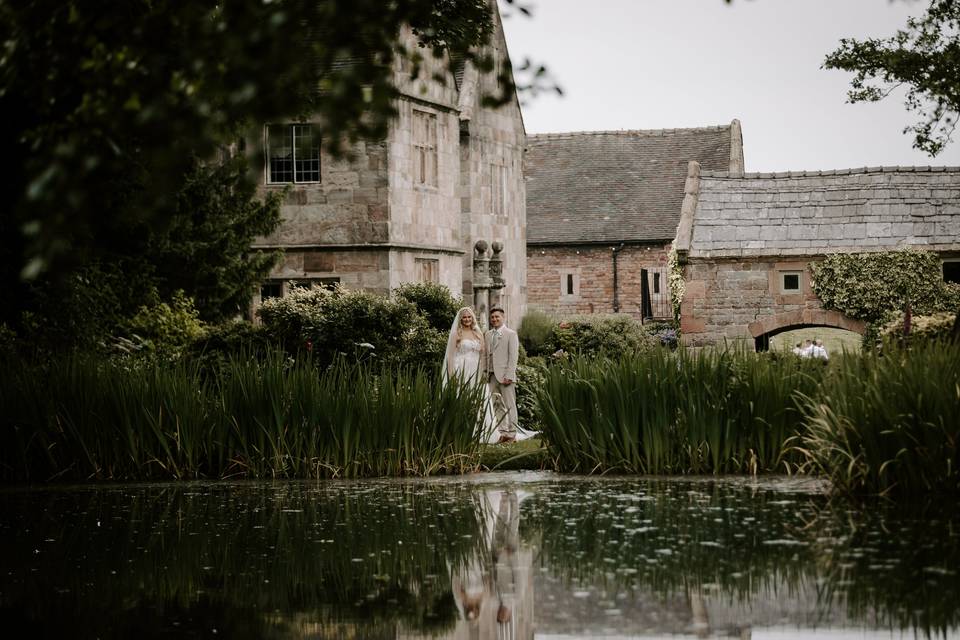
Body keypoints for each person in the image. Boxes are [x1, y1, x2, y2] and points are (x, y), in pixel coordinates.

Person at [443, 307, 498, 443]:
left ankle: (483, 431)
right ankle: (463, 431)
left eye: (469, 317)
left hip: (476, 369)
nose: (467, 319)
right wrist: (451, 374)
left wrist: (484, 370)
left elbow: (483, 354)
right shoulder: (457, 334)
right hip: (461, 368)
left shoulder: (478, 333)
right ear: (461, 319)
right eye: (464, 317)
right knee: (462, 396)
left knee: (479, 397)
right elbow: (450, 356)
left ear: (472, 318)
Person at [485, 306, 520, 444]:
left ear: (503, 318)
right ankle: (503, 432)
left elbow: (513, 357)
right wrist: (485, 373)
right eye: (492, 317)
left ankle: (512, 434)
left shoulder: (511, 334)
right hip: (492, 376)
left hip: (506, 376)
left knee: (510, 405)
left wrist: (509, 375)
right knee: (496, 404)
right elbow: (486, 356)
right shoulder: (487, 335)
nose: (494, 319)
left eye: (497, 317)